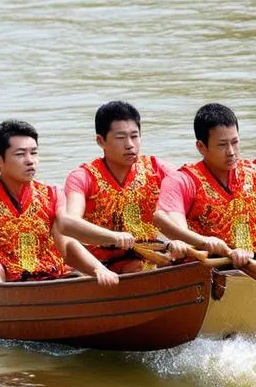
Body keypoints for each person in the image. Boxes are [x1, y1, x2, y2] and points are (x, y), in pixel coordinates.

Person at [0, 119, 136, 286]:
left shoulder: (52, 194)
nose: (30, 160)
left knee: (79, 277)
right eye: (20, 154)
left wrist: (98, 268)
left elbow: (69, 237)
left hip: (42, 271)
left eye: (34, 153)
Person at [153, 103, 256, 267]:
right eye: (222, 145)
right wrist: (205, 242)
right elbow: (173, 227)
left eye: (235, 142)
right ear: (201, 147)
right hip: (205, 264)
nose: (231, 151)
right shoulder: (181, 181)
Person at [64, 100, 187, 273]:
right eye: (121, 137)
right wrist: (113, 237)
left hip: (149, 254)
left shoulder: (157, 169)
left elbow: (192, 193)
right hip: (99, 264)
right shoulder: (82, 177)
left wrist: (181, 236)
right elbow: (69, 222)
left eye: (135, 136)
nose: (130, 145)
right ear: (101, 141)